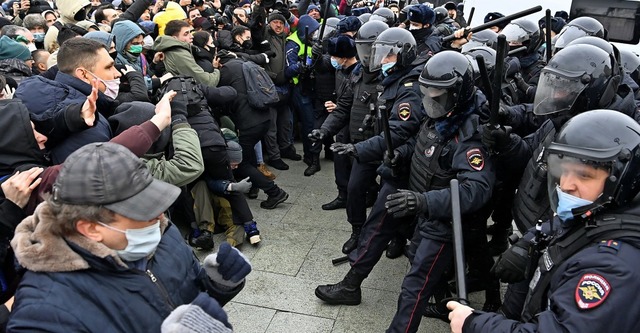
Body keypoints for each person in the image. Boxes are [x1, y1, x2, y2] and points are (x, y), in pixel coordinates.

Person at [6, 142, 251, 332]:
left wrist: (218, 284)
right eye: (142, 211)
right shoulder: (44, 312)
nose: (159, 216)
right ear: (90, 227)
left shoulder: (162, 233)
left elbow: (188, 300)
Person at [449, 109, 640, 333]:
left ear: (620, 181)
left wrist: (474, 324)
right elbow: (566, 223)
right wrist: (530, 241)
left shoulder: (613, 268)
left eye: (584, 175)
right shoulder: (601, 211)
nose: (567, 184)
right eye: (564, 171)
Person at [382, 50, 495, 333]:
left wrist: (421, 200)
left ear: (458, 93)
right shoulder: (441, 113)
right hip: (428, 212)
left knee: (414, 286)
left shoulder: (469, 135)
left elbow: (475, 190)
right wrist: (400, 154)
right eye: (428, 89)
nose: (431, 96)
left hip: (443, 221)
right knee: (434, 269)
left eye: (438, 92)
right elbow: (425, 147)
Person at [314, 27, 426, 305]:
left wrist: (358, 148)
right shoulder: (390, 81)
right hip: (397, 162)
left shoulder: (408, 89)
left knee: (379, 227)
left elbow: (401, 131)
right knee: (383, 222)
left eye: (387, 56)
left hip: (405, 168)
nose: (381, 61)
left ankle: (352, 286)